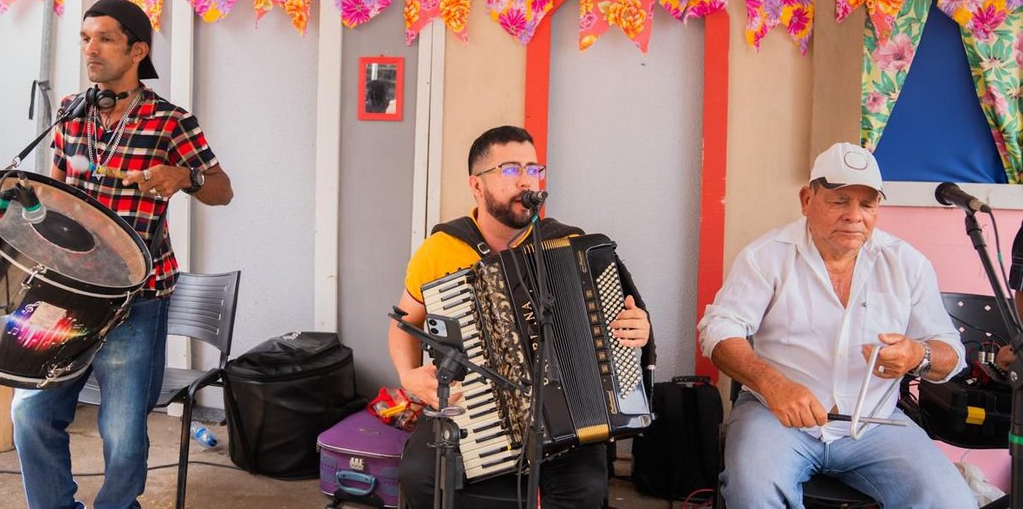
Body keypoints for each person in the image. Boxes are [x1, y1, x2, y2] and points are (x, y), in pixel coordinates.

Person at [11, 0, 234, 509]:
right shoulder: (70, 112)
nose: (91, 49)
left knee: (122, 429)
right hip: (69, 290)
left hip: (138, 298)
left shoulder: (171, 121)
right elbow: (61, 191)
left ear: (137, 51)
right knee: (31, 412)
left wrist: (185, 176)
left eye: (105, 38)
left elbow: (222, 189)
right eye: (85, 38)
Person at [697, 142, 976, 508]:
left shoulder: (907, 263)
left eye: (867, 204)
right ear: (806, 200)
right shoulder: (766, 256)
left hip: (875, 424)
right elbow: (718, 328)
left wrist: (916, 355)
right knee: (753, 493)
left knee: (952, 501)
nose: (854, 216)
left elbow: (950, 353)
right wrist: (773, 384)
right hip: (776, 418)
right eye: (840, 200)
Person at [389, 125, 652, 508]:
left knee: (585, 490)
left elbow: (610, 333)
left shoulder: (568, 247)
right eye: (510, 170)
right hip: (470, 405)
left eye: (534, 169)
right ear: (476, 186)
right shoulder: (439, 250)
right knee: (420, 478)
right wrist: (408, 375)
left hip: (564, 418)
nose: (527, 180)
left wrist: (636, 330)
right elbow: (404, 323)